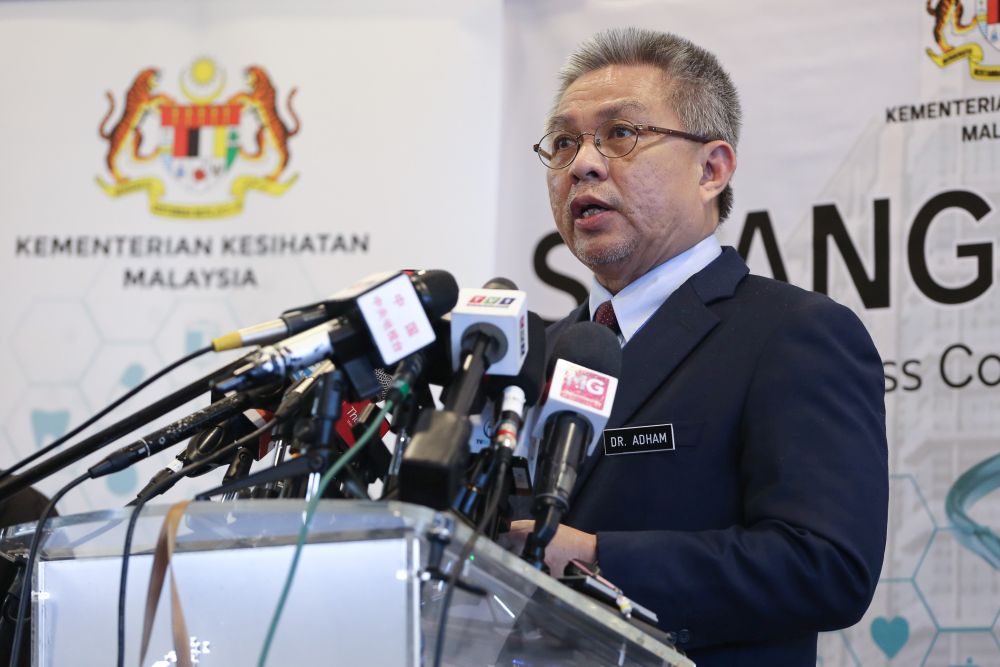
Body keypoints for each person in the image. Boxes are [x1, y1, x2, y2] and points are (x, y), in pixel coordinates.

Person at [502, 27, 888, 666]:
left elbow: (826, 567)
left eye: (621, 134)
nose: (583, 164)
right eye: (565, 142)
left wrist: (597, 559)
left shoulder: (792, 333)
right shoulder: (539, 352)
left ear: (712, 169)